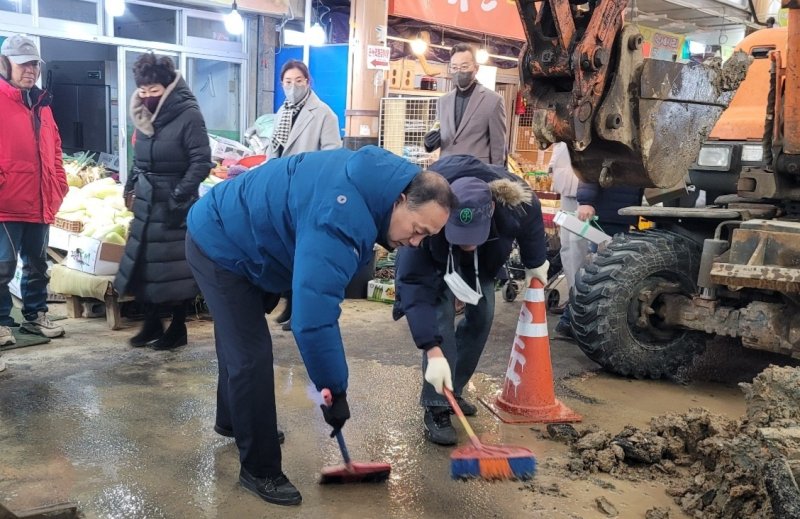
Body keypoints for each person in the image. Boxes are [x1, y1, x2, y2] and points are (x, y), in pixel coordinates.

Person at [185, 145, 456, 506]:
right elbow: (312, 320)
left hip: (250, 237)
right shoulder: (342, 215)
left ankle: (234, 422)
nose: (416, 242)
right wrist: (335, 390)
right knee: (250, 355)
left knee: (238, 343)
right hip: (220, 240)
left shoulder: (384, 180)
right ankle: (260, 469)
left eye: (428, 237)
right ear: (401, 200)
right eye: (418, 229)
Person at [393, 154, 549, 446]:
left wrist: (536, 261)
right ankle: (437, 405)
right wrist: (432, 348)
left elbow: (531, 224)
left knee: (484, 314)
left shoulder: (513, 201)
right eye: (461, 235)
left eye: (472, 235)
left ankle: (456, 389)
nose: (467, 243)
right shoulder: (428, 215)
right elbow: (414, 283)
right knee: (440, 320)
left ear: (491, 209)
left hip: (486, 259)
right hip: (438, 258)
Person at [114, 53, 212, 350]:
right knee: (146, 266)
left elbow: (201, 162)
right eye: (143, 91)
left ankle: (178, 328)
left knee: (175, 270)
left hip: (174, 204)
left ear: (168, 87)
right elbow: (139, 157)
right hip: (146, 200)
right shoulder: (142, 114)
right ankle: (152, 323)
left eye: (154, 91)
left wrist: (178, 195)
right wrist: (130, 184)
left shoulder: (188, 114)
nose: (147, 96)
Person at [0, 34, 68, 356]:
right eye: (23, 64)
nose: (31, 70)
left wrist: (59, 183)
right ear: (5, 64)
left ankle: (34, 315)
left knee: (38, 263)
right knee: (2, 265)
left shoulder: (42, 104)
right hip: (6, 202)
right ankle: (1, 322)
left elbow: (55, 149)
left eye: (35, 64)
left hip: (40, 199)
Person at [269, 59, 342, 331]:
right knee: (286, 250)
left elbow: (332, 158)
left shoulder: (324, 114)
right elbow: (273, 150)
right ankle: (289, 303)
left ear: (308, 82)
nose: (293, 87)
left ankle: (300, 309)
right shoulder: (282, 112)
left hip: (308, 194)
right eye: (287, 82)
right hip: (282, 192)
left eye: (298, 81)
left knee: (305, 255)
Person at [423, 43, 507, 166]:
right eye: (454, 67)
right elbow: (439, 131)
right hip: (447, 170)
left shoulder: (494, 100)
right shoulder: (443, 101)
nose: (458, 71)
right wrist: (429, 143)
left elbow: (498, 146)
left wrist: (497, 175)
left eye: (464, 67)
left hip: (477, 172)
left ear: (476, 68)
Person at [549, 143, 589, 339]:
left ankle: (577, 308)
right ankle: (573, 301)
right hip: (568, 190)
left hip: (584, 192)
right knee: (568, 249)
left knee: (578, 251)